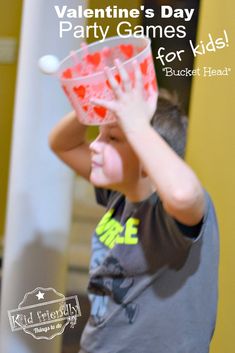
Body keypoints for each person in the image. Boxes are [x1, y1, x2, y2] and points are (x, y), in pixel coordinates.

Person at [49, 59, 219, 353]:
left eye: (112, 138)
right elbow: (61, 144)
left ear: (145, 155)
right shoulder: (119, 196)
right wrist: (94, 98)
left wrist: (137, 125)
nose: (94, 145)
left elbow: (182, 194)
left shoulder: (170, 213)